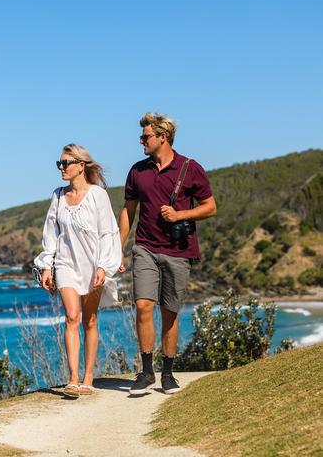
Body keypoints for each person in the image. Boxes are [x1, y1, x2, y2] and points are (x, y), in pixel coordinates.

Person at [119, 112, 217, 395]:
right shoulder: (137, 171)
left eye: (145, 136)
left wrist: (180, 215)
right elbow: (128, 211)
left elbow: (210, 207)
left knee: (170, 312)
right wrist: (118, 247)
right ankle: (147, 371)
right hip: (145, 247)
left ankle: (169, 373)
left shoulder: (191, 168)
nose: (141, 141)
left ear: (163, 137)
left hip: (178, 250)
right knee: (143, 306)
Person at [34, 143, 122, 398]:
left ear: (81, 165)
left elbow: (108, 233)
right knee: (72, 317)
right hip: (65, 265)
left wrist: (104, 266)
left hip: (92, 264)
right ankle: (72, 379)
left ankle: (88, 377)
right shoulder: (58, 196)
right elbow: (51, 234)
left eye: (66, 163)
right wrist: (47, 266)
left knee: (90, 320)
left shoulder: (98, 195)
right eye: (59, 164)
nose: (61, 168)